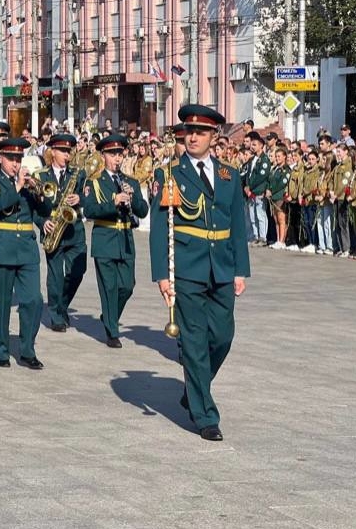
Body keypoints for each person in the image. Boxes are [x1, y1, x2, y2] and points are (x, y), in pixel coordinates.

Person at [150, 104, 250, 441]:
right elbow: (159, 229)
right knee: (193, 341)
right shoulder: (170, 175)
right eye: (188, 131)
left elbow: (238, 224)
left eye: (200, 132)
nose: (192, 137)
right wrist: (162, 274)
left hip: (221, 266)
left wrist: (240, 270)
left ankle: (196, 387)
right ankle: (205, 415)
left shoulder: (229, 176)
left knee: (222, 336)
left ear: (214, 137)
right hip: (188, 269)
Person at [0, 138, 52, 368]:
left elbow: (42, 211)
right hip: (2, 248)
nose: (15, 163)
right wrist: (18, 186)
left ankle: (27, 349)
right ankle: (1, 349)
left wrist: (40, 196)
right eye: (11, 158)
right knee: (1, 303)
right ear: (0, 157)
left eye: (18, 159)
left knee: (34, 300)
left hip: (27, 249)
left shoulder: (28, 182)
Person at [81, 134, 149, 348]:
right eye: (112, 154)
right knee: (109, 287)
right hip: (105, 238)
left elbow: (144, 211)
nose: (117, 159)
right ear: (103, 156)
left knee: (127, 286)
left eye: (120, 154)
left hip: (125, 239)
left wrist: (133, 198)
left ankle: (109, 315)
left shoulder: (130, 181)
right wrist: (114, 202)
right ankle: (112, 331)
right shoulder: (94, 182)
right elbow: (89, 210)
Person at [34, 134, 87, 332]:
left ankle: (62, 304)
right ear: (52, 151)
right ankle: (56, 315)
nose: (67, 155)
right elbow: (34, 208)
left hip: (74, 229)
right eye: (63, 151)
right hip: (53, 227)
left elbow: (88, 198)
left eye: (69, 151)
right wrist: (42, 222)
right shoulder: (41, 175)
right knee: (55, 275)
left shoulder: (78, 174)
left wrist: (79, 198)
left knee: (78, 271)